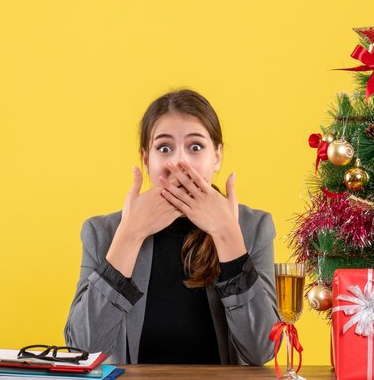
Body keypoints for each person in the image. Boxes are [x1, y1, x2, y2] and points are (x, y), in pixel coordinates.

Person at [64, 89, 279, 365]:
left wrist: (227, 236)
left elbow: (261, 350)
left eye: (196, 147)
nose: (180, 162)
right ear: (146, 159)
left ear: (217, 157)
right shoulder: (102, 232)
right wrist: (129, 236)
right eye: (164, 148)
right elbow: (83, 349)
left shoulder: (253, 228)